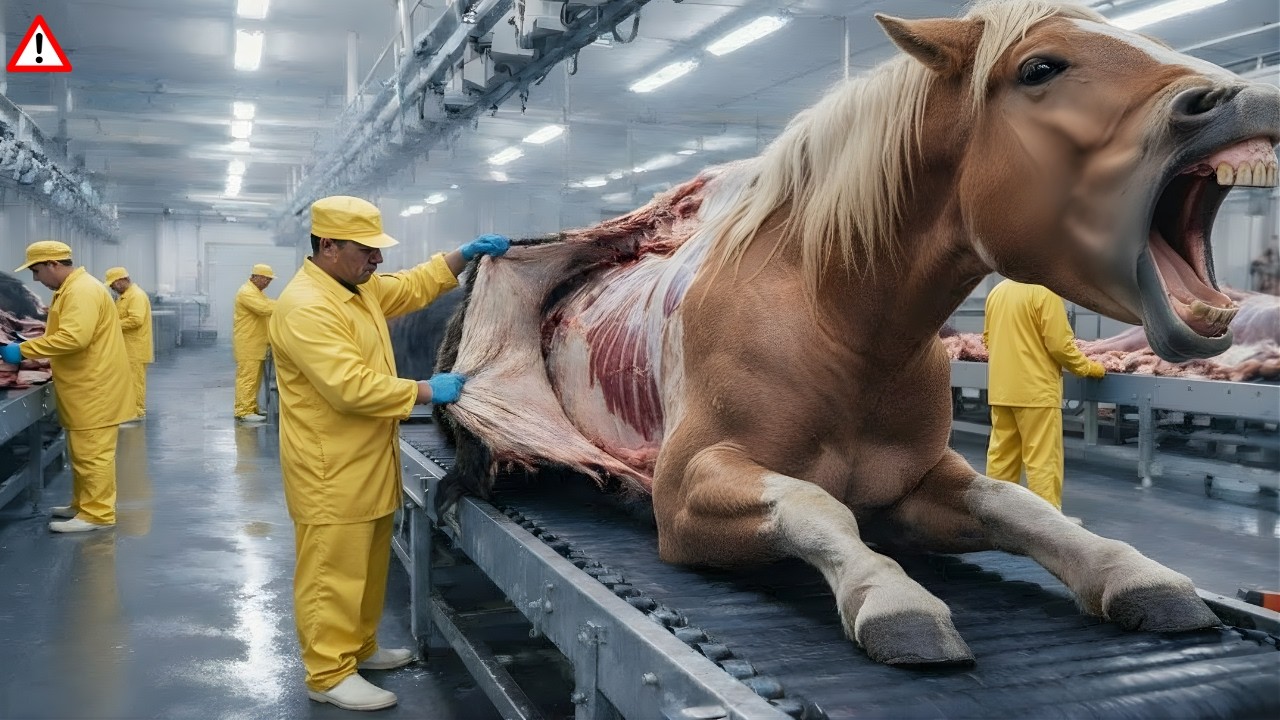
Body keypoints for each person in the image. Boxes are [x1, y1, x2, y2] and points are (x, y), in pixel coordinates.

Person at [269, 195, 509, 711]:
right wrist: (426, 391)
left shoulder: (353, 286)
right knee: (331, 571)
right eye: (367, 249)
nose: (377, 259)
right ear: (328, 245)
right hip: (329, 465)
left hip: (367, 455)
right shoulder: (307, 306)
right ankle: (328, 672)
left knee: (368, 562)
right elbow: (350, 387)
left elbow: (409, 287)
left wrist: (461, 256)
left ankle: (358, 646)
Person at [0, 241, 133, 533]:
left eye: (36, 271)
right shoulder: (74, 289)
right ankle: (83, 504)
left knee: (93, 453)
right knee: (81, 452)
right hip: (85, 384)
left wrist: (23, 350)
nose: (35, 279)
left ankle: (97, 514)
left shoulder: (81, 291)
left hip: (95, 387)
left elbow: (74, 338)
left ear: (52, 264)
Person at [982, 278, 1106, 515]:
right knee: (1042, 462)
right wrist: (1088, 368)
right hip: (1036, 393)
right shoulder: (1044, 293)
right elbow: (1060, 345)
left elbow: (988, 339)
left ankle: (995, 516)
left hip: (1002, 391)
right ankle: (1047, 523)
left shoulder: (997, 292)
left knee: (1001, 458)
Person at [104, 267, 153, 423]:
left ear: (122, 280)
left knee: (134, 382)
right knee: (127, 383)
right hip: (127, 348)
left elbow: (136, 320)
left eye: (113, 284)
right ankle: (128, 412)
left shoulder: (136, 296)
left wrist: (111, 325)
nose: (112, 287)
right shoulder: (125, 297)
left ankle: (137, 412)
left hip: (135, 349)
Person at [233, 264, 277, 422]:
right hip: (248, 343)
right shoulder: (247, 292)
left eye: (269, 280)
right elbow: (264, 308)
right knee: (247, 378)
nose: (267, 282)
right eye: (266, 279)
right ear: (256, 277)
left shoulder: (256, 292)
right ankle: (243, 411)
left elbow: (269, 304)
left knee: (254, 379)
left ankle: (250, 408)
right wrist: (287, 305)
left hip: (255, 342)